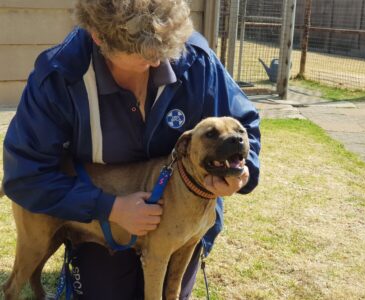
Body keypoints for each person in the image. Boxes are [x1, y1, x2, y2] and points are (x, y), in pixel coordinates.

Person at [2, 0, 260, 299]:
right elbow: (26, 176)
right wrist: (110, 207)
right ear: (98, 37)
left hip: (181, 217)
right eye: (144, 54)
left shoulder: (195, 59)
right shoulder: (58, 76)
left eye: (164, 49)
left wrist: (245, 172)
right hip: (94, 213)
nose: (158, 62)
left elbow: (245, 122)